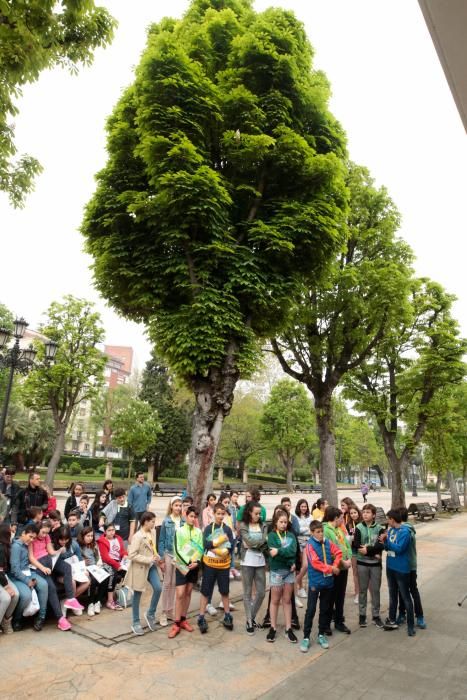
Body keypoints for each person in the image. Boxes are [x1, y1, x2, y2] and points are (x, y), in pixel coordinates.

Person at [299, 519, 343, 652]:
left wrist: (335, 565)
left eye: (322, 531)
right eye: (318, 532)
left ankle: (321, 634)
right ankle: (306, 637)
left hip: (328, 583)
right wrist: (331, 569)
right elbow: (315, 563)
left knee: (325, 609)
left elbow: (338, 553)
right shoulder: (309, 546)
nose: (321, 534)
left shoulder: (328, 542)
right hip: (315, 583)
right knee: (311, 610)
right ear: (312, 533)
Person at [28, 519, 80, 630]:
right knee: (51, 587)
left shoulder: (46, 537)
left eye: (47, 532)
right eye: (43, 532)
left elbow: (51, 552)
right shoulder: (32, 539)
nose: (45, 535)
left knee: (67, 567)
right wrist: (43, 568)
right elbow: (31, 557)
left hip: (49, 560)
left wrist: (59, 551)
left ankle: (71, 599)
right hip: (39, 565)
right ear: (37, 530)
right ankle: (60, 618)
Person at [197, 503, 235, 634]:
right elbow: (205, 544)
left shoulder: (227, 529)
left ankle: (227, 615)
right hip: (210, 565)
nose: (220, 516)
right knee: (205, 591)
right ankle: (201, 617)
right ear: (214, 514)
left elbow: (231, 546)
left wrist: (224, 551)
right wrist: (217, 545)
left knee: (224, 591)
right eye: (218, 513)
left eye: (222, 514)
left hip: (223, 565)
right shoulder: (208, 529)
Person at [125, 511, 162, 635]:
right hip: (140, 568)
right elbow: (132, 555)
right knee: (137, 595)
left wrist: (156, 557)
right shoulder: (137, 536)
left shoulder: (153, 532)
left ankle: (150, 614)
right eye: (152, 521)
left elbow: (153, 548)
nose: (154, 524)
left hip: (151, 566)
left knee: (158, 588)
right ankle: (135, 622)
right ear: (146, 521)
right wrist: (149, 559)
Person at [380, 508, 416, 636]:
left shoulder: (405, 532)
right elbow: (388, 548)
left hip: (401, 569)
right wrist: (383, 541)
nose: (387, 521)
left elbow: (399, 548)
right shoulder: (391, 531)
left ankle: (411, 625)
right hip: (391, 567)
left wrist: (387, 541)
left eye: (388, 519)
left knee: (406, 597)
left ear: (392, 519)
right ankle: (392, 620)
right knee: (392, 595)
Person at [169, 506, 203, 639]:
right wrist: (188, 562)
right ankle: (176, 623)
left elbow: (200, 549)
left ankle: (183, 619)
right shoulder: (179, 531)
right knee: (180, 593)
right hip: (181, 565)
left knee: (188, 592)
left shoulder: (199, 532)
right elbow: (177, 550)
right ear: (186, 516)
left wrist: (197, 562)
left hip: (194, 566)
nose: (193, 519)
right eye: (191, 516)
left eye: (195, 517)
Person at [9, 524, 49, 631]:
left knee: (44, 584)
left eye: (33, 538)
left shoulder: (27, 544)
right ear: (23, 533)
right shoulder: (16, 546)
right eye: (30, 536)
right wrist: (27, 581)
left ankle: (41, 617)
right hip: (16, 577)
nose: (31, 540)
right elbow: (15, 570)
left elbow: (30, 559)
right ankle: (17, 619)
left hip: (28, 572)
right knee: (26, 595)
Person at [266, 508, 298, 643]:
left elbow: (293, 551)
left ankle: (288, 628)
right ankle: (272, 628)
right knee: (275, 600)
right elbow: (273, 554)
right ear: (276, 522)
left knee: (287, 600)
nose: (284, 524)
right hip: (277, 571)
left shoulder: (290, 535)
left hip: (289, 571)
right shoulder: (272, 536)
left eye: (285, 522)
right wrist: (286, 555)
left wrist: (279, 551)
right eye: (281, 522)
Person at [352, 503, 384, 628]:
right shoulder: (359, 527)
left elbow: (380, 545)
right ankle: (362, 615)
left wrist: (369, 550)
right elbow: (356, 544)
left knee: (375, 590)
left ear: (374, 515)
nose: (365, 514)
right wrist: (373, 552)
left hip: (376, 564)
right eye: (363, 512)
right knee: (363, 590)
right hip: (362, 563)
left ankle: (376, 616)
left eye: (368, 512)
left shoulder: (380, 528)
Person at [239, 500, 268, 634]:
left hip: (260, 561)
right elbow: (248, 541)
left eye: (260, 513)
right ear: (250, 513)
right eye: (256, 513)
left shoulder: (263, 525)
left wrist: (251, 544)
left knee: (261, 593)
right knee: (247, 592)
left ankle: (252, 616)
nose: (259, 516)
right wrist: (256, 542)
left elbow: (263, 541)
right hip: (247, 561)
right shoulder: (244, 525)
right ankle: (249, 621)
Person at [322, 506, 352, 635]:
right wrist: (342, 562)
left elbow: (346, 545)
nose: (343, 520)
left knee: (340, 596)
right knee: (331, 597)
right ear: (335, 518)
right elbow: (331, 552)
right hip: (334, 569)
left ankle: (339, 621)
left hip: (344, 568)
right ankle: (326, 624)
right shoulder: (326, 531)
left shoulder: (339, 530)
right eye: (341, 518)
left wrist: (349, 558)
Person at [396, 507, 426, 629]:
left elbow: (400, 547)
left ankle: (419, 616)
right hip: (402, 565)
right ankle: (402, 614)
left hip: (409, 566)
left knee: (412, 590)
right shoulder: (401, 529)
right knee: (402, 590)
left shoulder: (406, 530)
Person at [158, 496, 184, 627]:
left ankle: (170, 610)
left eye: (180, 505)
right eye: (176, 505)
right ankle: (163, 611)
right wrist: (161, 558)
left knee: (174, 583)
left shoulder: (183, 521)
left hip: (179, 556)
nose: (178, 508)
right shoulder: (166, 521)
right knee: (167, 583)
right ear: (171, 506)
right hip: (168, 553)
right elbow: (161, 540)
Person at [51, 525, 90, 602]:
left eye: (66, 539)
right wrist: (58, 552)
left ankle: (68, 601)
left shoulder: (74, 544)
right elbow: (53, 564)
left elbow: (80, 559)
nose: (64, 541)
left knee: (87, 581)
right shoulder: (52, 546)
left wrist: (84, 570)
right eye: (61, 539)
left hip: (75, 570)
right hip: (60, 574)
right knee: (72, 581)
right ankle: (71, 601)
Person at [77, 527, 108, 616]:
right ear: (83, 536)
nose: (90, 538)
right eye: (88, 536)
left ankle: (97, 602)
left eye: (91, 536)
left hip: (95, 567)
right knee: (93, 580)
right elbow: (78, 560)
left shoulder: (94, 545)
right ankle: (90, 603)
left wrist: (99, 566)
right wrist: (83, 565)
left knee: (105, 577)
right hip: (85, 569)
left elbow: (98, 558)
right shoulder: (79, 546)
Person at [97, 522, 127, 610]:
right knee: (112, 574)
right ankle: (110, 601)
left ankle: (123, 596)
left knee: (129, 570)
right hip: (108, 563)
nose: (112, 532)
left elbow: (121, 551)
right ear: (105, 532)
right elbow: (106, 558)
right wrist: (117, 565)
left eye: (113, 530)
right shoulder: (102, 541)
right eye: (109, 530)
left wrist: (125, 555)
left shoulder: (118, 538)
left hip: (119, 562)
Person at [0, 522, 19, 634]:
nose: (13, 533)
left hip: (3, 576)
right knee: (6, 598)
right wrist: (7, 586)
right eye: (11, 531)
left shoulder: (6, 545)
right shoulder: (1, 548)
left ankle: (6, 621)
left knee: (16, 595)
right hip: (1, 577)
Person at [294, 499, 312, 600]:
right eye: (302, 506)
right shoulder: (295, 517)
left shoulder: (310, 516)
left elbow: (312, 528)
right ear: (299, 507)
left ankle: (305, 586)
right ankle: (299, 587)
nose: (304, 508)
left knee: (309, 566)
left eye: (305, 506)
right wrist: (307, 530)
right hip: (300, 543)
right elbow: (297, 530)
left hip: (309, 543)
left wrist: (305, 530)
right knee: (302, 565)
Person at [347, 504, 362, 604]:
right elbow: (346, 538)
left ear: (358, 512)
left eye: (355, 512)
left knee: (365, 573)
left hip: (362, 550)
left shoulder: (363, 523)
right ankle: (357, 593)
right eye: (351, 513)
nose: (353, 515)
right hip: (353, 551)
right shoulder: (348, 525)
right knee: (355, 573)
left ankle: (366, 593)